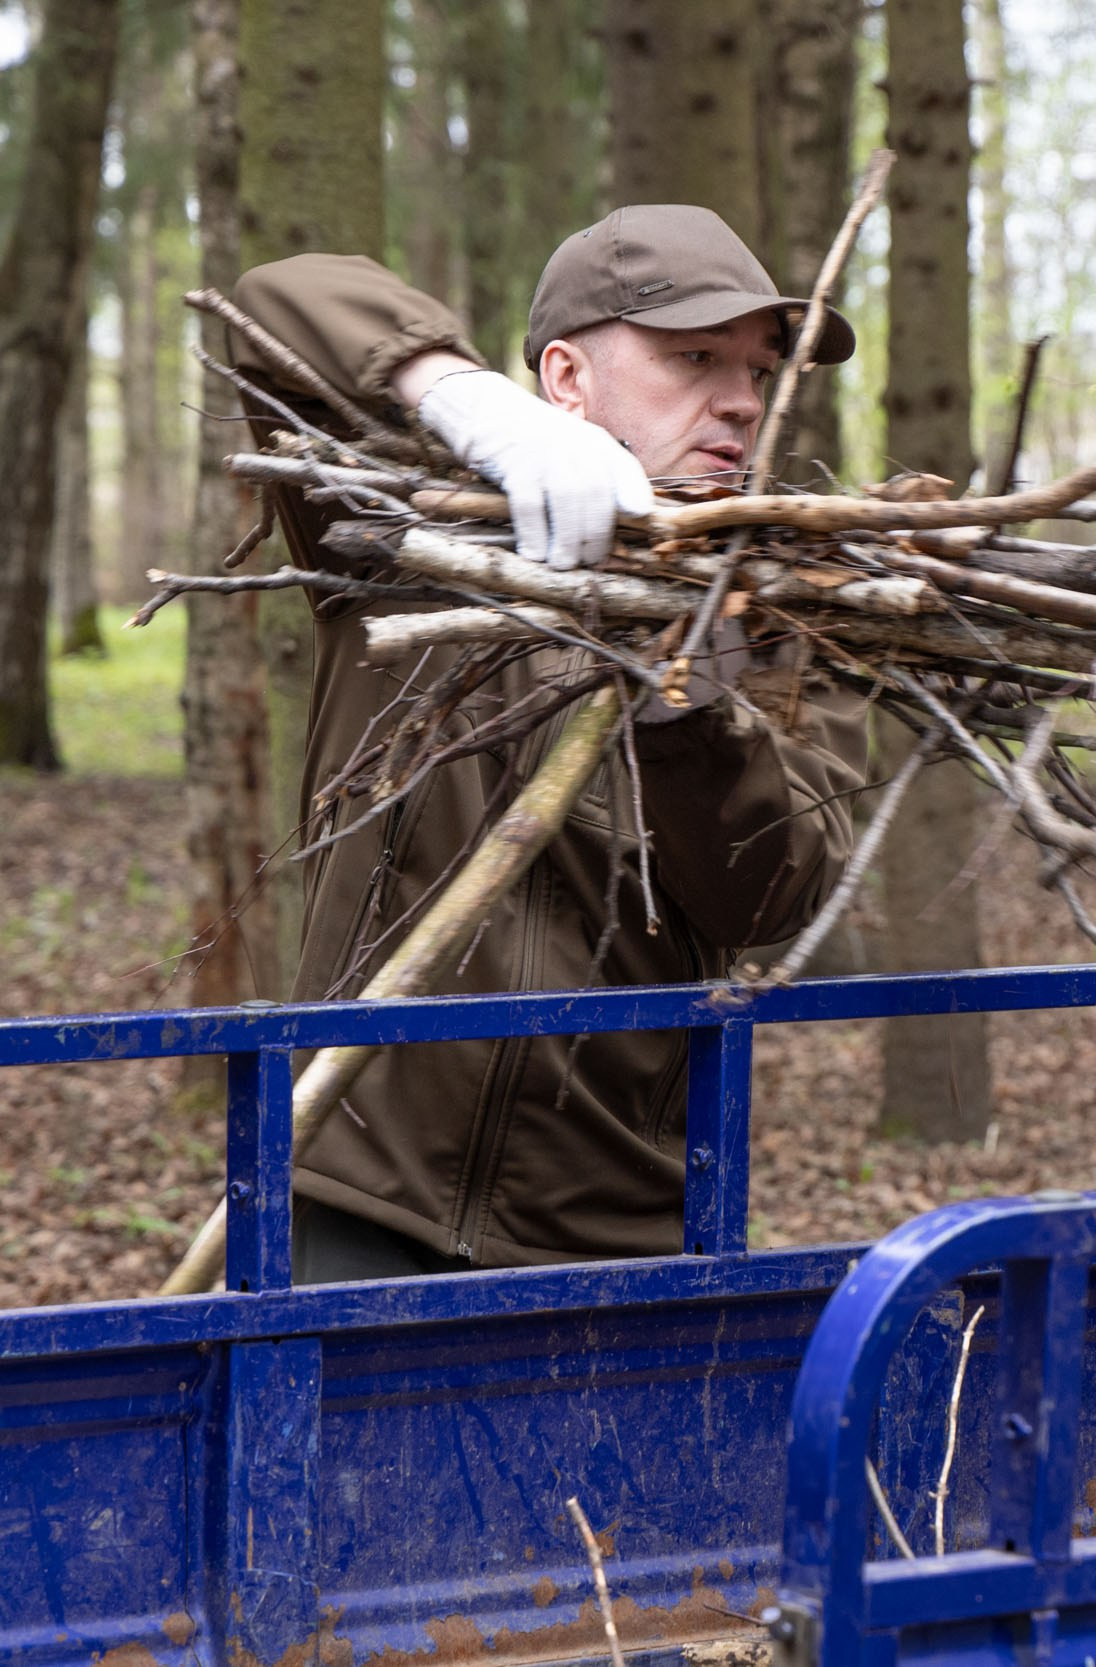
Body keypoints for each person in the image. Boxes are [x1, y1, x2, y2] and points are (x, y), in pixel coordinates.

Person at [226, 205, 870, 1280]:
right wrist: (467, 400)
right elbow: (276, 298)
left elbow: (776, 897)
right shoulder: (418, 534)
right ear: (566, 378)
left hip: (618, 1231)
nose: (743, 402)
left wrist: (689, 718)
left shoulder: (791, 613)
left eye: (758, 370)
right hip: (353, 1189)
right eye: (696, 358)